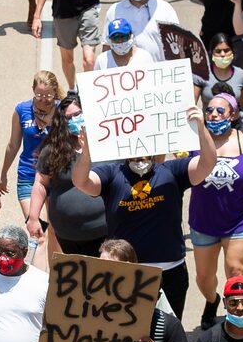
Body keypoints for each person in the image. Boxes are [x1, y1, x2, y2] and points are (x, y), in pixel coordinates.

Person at [71, 105, 217, 318]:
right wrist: (87, 153)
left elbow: (208, 162)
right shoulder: (111, 174)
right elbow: (81, 181)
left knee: (167, 338)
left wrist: (202, 129)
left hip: (170, 272)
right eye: (135, 152)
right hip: (126, 274)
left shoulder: (172, 171)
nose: (141, 157)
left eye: (145, 151)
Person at [189, 90, 243, 321]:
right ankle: (212, 301)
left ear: (233, 115)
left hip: (238, 220)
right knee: (203, 278)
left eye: (220, 110)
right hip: (203, 221)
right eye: (209, 110)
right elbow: (176, 172)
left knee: (235, 270)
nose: (214, 114)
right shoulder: (194, 140)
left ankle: (236, 317)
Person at [27, 91, 107, 261]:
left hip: (105, 232)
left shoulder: (106, 145)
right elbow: (40, 184)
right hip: (68, 235)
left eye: (78, 114)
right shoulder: (53, 150)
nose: (74, 120)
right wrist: (33, 217)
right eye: (68, 118)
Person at [0, 70, 60, 220]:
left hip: (57, 177)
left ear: (55, 92)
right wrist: (4, 174)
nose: (43, 100)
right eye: (39, 95)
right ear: (33, 90)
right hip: (28, 175)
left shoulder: (63, 110)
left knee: (55, 231)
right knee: (38, 228)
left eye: (48, 96)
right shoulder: (22, 110)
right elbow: (13, 145)